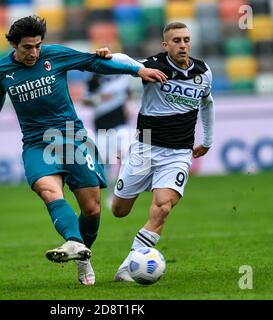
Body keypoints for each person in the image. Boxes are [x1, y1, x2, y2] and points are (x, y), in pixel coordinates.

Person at [0, 15, 167, 286]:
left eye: (38, 46)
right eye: (27, 47)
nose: (34, 53)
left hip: (72, 139)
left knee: (92, 210)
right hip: (37, 144)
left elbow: (92, 62)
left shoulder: (55, 55)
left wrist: (136, 71)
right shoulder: (1, 70)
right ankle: (74, 242)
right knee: (48, 191)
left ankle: (82, 256)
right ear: (14, 45)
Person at [96, 22, 215, 282]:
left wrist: (207, 139)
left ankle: (129, 265)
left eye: (186, 40)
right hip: (145, 148)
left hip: (178, 153)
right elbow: (126, 60)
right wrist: (108, 55)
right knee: (119, 210)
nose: (182, 45)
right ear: (165, 45)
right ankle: (133, 257)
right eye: (176, 41)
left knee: (162, 208)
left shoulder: (203, 72)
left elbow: (207, 103)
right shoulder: (154, 66)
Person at [81, 72, 132, 209]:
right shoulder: (94, 78)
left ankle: (125, 192)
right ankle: (111, 194)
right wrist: (100, 98)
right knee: (107, 163)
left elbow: (128, 95)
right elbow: (85, 100)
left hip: (121, 124)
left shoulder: (120, 75)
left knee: (127, 155)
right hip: (102, 127)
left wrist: (127, 106)